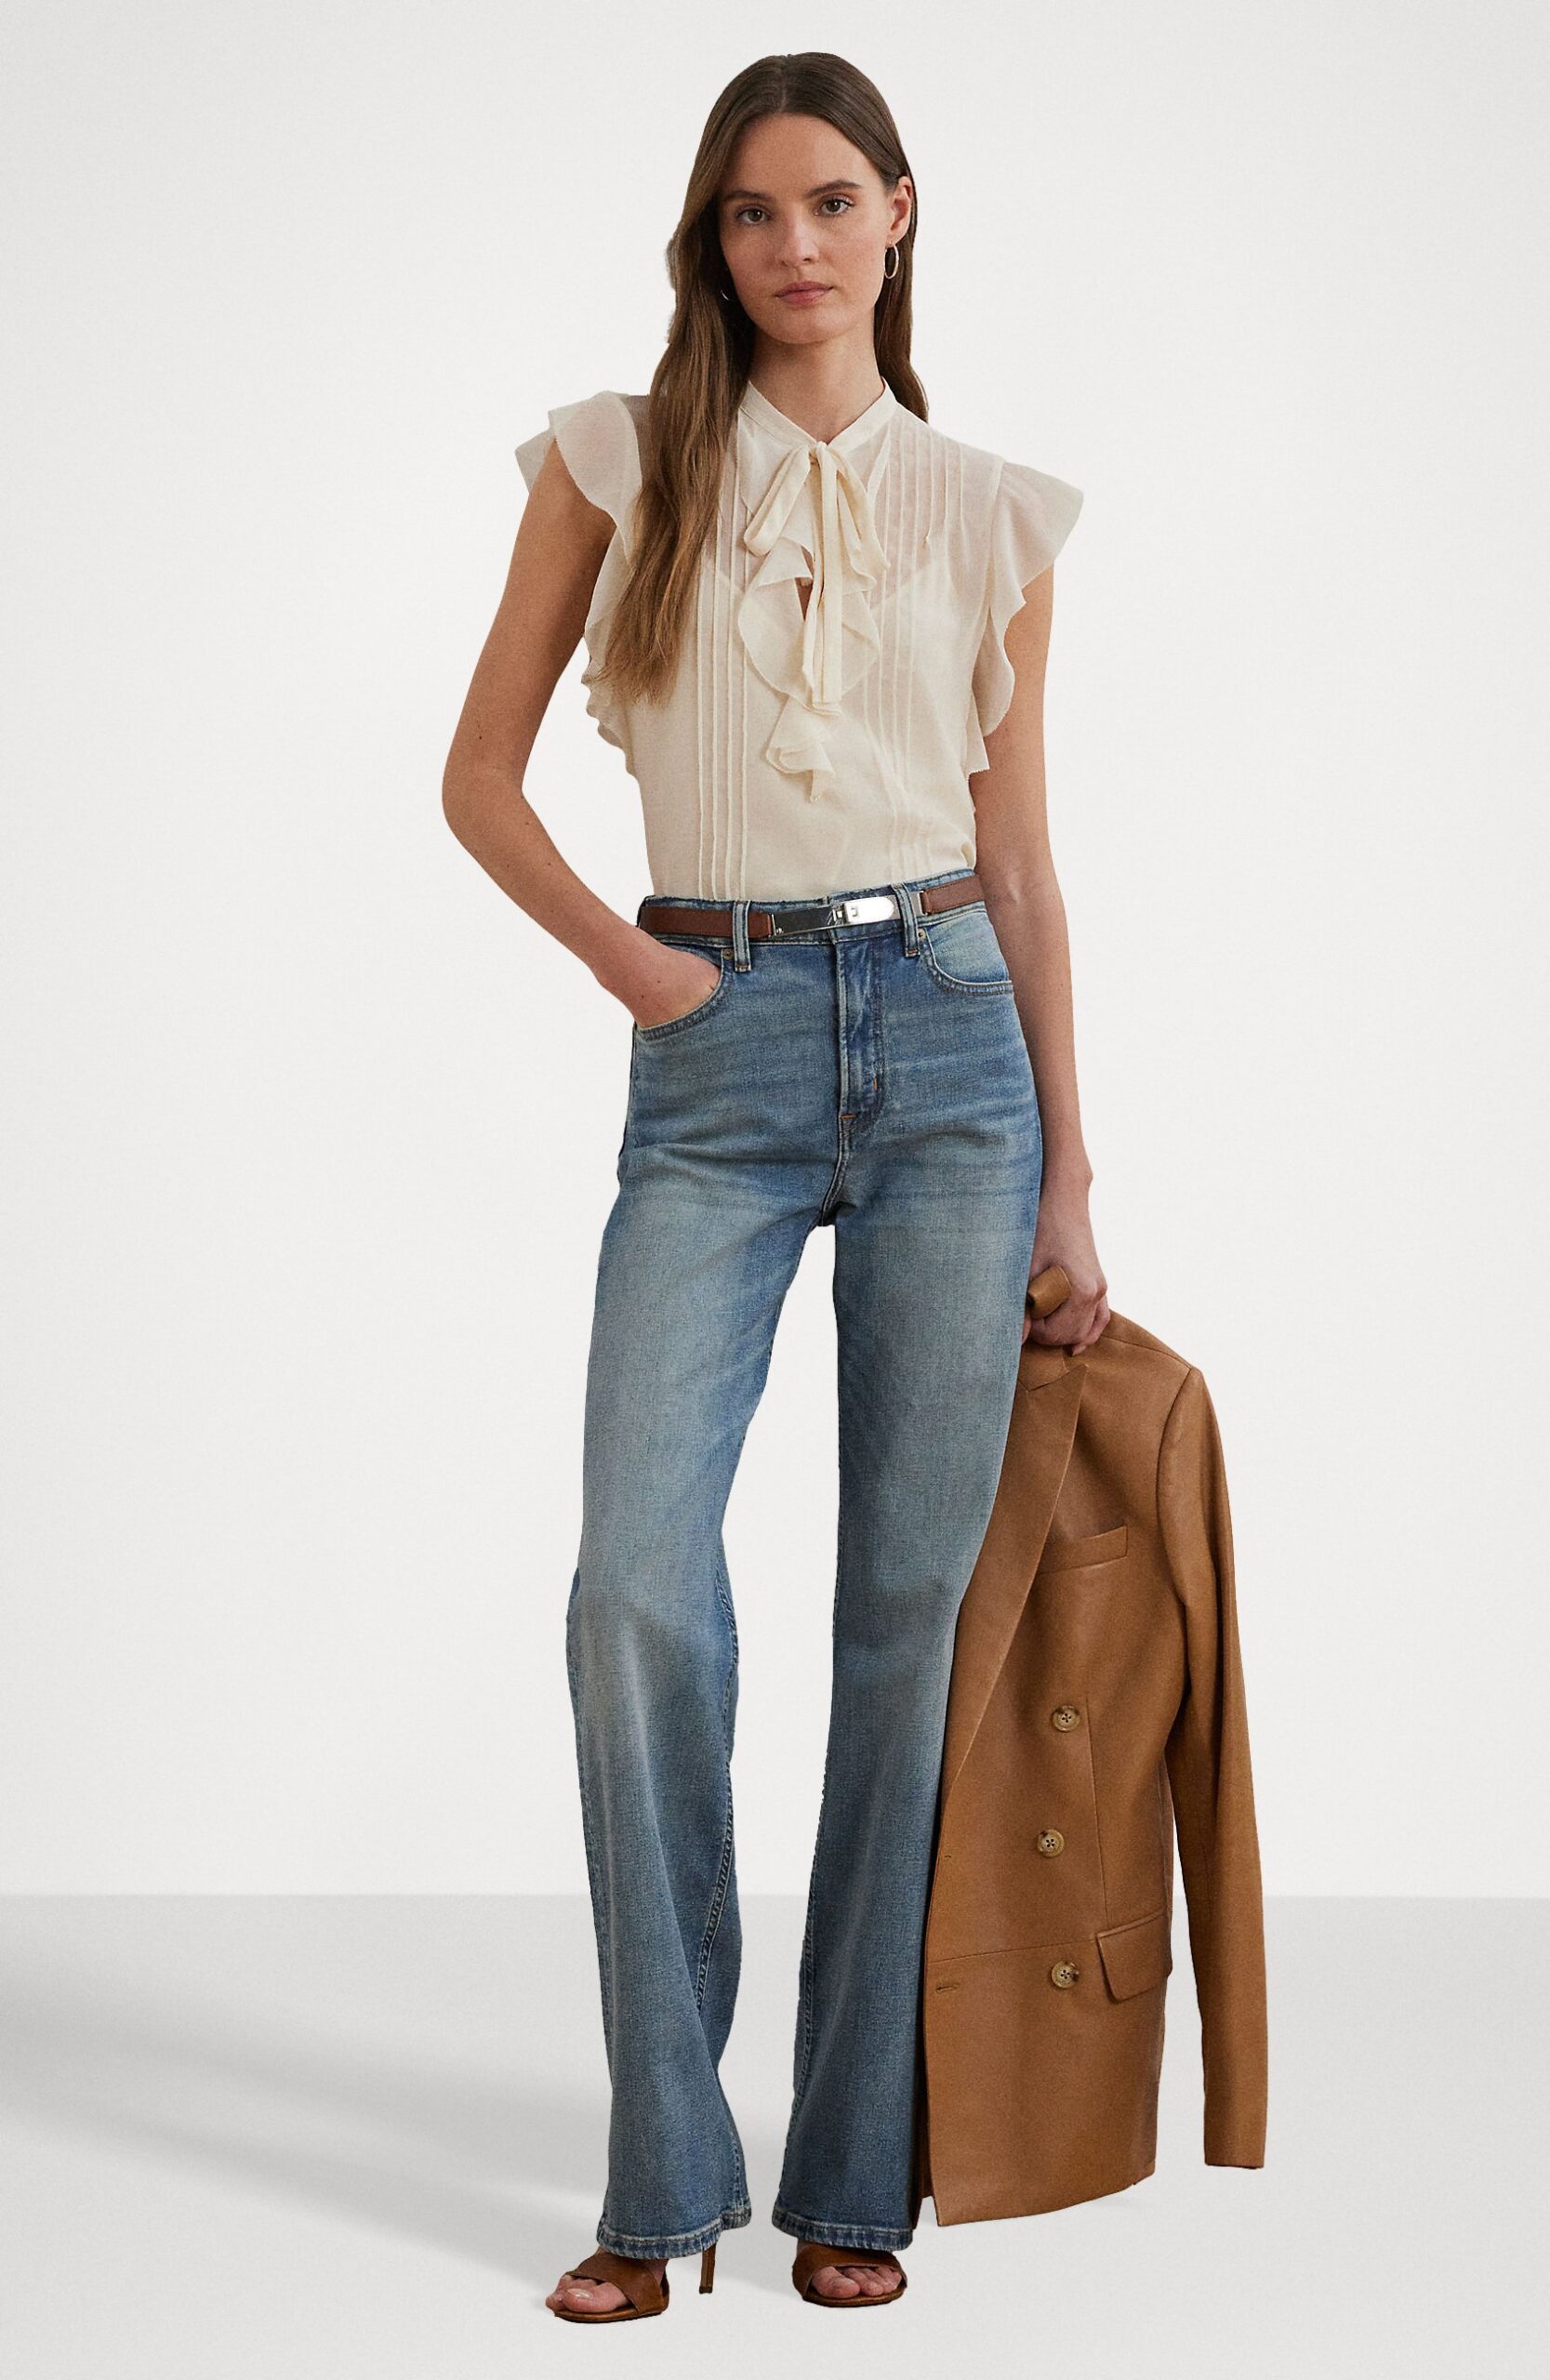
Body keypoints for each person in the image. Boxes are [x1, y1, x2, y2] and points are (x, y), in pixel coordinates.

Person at [443, 50, 1112, 2322]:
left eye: (829, 200)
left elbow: (1022, 863)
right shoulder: (615, 461)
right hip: (710, 1052)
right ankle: (662, 2173)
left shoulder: (990, 513)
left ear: (899, 214)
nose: (792, 244)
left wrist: (1070, 1171)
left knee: (904, 1622)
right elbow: (476, 773)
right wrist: (638, 968)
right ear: (710, 243)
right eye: (750, 212)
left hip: (948, 1050)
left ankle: (850, 2167)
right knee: (635, 1588)